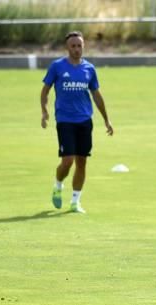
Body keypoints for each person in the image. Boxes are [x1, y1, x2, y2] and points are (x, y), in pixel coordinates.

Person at [40, 31, 113, 214]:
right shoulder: (57, 67)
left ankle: (75, 202)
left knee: (82, 162)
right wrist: (44, 111)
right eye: (73, 46)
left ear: (83, 47)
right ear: (67, 47)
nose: (76, 49)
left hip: (84, 121)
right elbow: (45, 91)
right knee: (67, 161)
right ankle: (58, 185)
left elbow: (96, 95)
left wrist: (106, 119)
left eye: (79, 45)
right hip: (65, 120)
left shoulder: (89, 69)